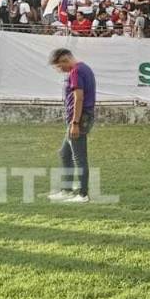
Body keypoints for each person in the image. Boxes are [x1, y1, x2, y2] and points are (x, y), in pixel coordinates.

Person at [48, 48, 96, 203]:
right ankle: (67, 190)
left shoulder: (76, 71)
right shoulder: (84, 68)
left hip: (79, 119)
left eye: (59, 66)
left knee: (79, 157)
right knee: (65, 153)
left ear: (65, 59)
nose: (60, 70)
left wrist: (75, 123)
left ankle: (83, 194)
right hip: (79, 118)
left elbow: (79, 98)